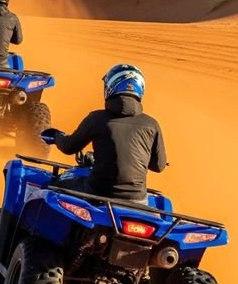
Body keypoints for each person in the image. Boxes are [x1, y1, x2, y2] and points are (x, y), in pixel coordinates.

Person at [43, 63, 168, 203]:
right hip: (138, 200)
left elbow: (68, 147)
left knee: (51, 189)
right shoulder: (152, 124)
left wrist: (56, 136)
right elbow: (159, 166)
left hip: (98, 192)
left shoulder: (97, 119)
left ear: (111, 88)